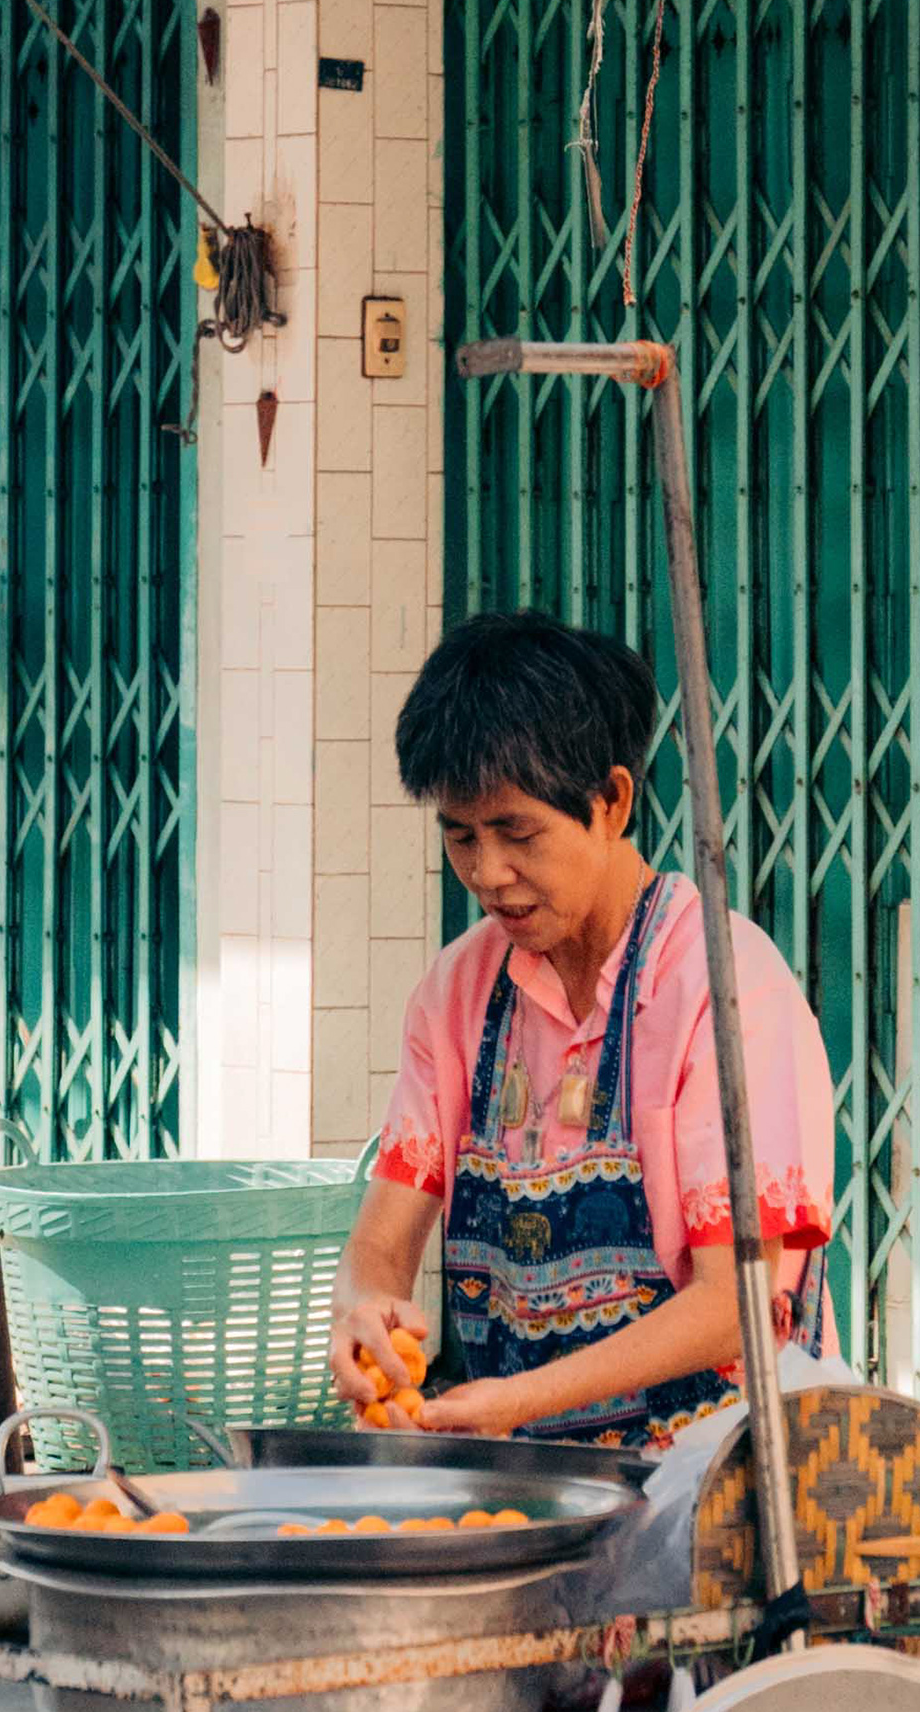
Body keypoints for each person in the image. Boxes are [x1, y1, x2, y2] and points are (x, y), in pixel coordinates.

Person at [332, 608, 835, 1450]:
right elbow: (382, 1242)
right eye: (460, 836)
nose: (488, 873)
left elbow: (733, 1306)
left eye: (517, 832)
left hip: (716, 1482)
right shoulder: (454, 995)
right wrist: (363, 1310)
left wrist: (516, 1401)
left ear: (612, 801)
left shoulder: (722, 984)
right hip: (532, 1477)